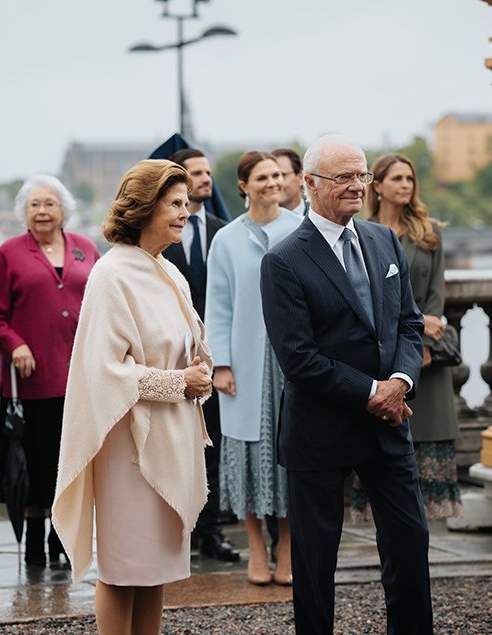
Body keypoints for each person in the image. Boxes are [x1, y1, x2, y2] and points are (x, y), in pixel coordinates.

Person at [260, 134, 433, 635]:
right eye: (344, 178)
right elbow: (299, 359)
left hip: (389, 424)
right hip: (320, 430)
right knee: (315, 562)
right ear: (310, 185)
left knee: (410, 541)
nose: (358, 186)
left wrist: (399, 382)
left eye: (362, 175)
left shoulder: (383, 240)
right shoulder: (284, 260)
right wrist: (372, 393)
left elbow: (409, 324)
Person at [52, 159, 214, 635]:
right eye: (176, 204)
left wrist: (199, 371)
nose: (187, 212)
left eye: (187, 203)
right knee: (124, 568)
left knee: (156, 569)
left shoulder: (170, 272)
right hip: (129, 442)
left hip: (172, 433)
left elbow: (186, 344)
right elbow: (102, 372)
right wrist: (177, 383)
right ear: (145, 208)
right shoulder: (111, 274)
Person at [0, 174, 100, 567]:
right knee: (33, 459)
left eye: (50, 203)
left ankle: (61, 535)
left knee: (71, 459)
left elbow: (102, 304)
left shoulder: (85, 249)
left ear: (64, 208)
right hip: (30, 381)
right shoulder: (10, 253)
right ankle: (33, 538)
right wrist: (15, 344)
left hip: (79, 378)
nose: (43, 211)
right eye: (35, 204)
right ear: (24, 212)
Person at [205, 151, 301, 585]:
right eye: (262, 177)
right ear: (243, 185)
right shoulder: (225, 239)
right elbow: (218, 306)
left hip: (293, 362)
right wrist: (219, 364)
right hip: (242, 363)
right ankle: (256, 548)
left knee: (291, 452)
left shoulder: (302, 231)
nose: (272, 182)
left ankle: (287, 545)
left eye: (278, 175)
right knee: (244, 453)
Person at [366, 153, 463, 520]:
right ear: (378, 186)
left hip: (428, 357)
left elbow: (437, 296)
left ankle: (428, 522)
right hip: (385, 354)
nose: (406, 184)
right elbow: (368, 300)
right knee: (388, 435)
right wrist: (418, 326)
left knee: (432, 429)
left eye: (410, 179)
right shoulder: (362, 231)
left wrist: (422, 341)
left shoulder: (429, 232)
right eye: (397, 179)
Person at [163, 148, 238, 563]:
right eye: (196, 172)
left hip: (216, 358)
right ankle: (177, 532)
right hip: (171, 362)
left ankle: (211, 532)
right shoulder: (158, 235)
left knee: (213, 449)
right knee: (176, 448)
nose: (206, 178)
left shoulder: (223, 231)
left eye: (209, 171)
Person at [271, 147, 308, 216]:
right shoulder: (256, 223)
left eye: (282, 175)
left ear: (300, 178)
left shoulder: (319, 219)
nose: (273, 183)